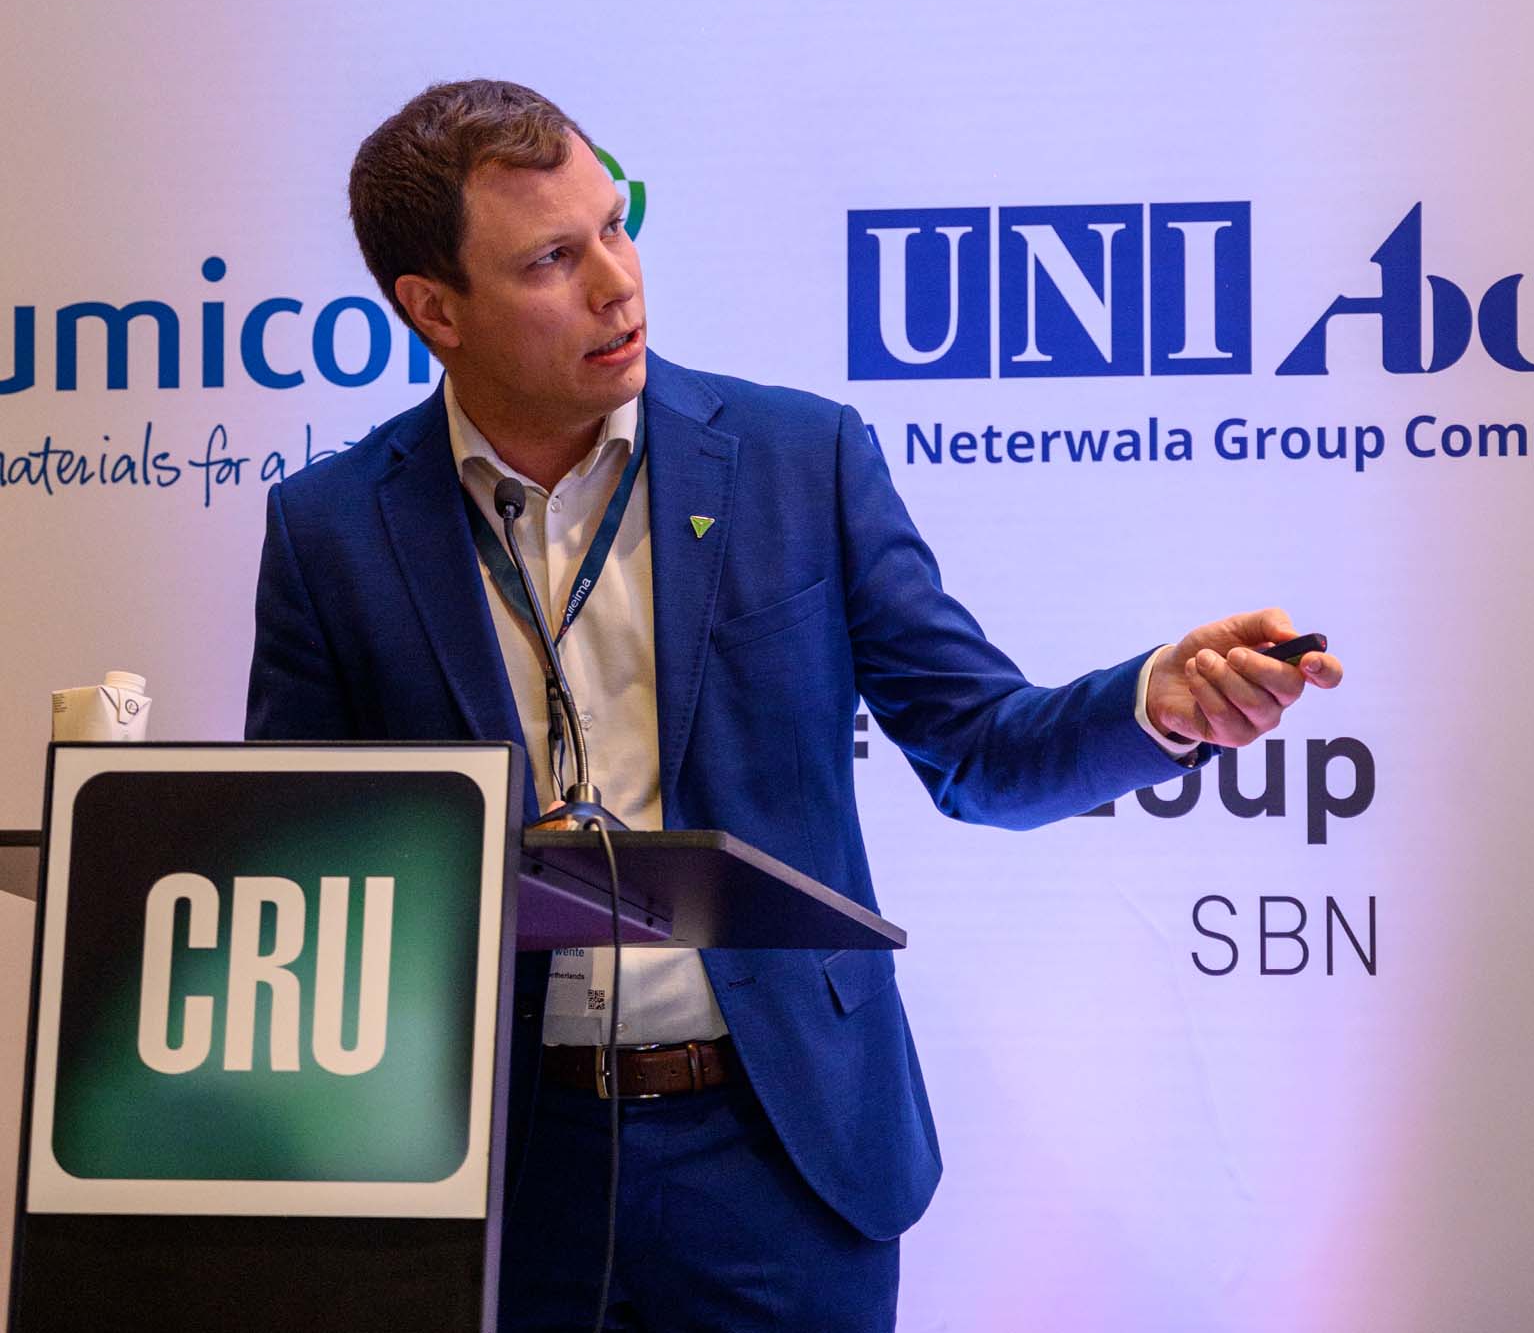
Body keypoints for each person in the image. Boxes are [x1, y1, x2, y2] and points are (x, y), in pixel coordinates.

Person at [246, 79, 1343, 1333]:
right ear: (433, 309)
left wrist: (1158, 701)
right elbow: (308, 875)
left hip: (777, 1155)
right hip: (495, 1166)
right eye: (552, 258)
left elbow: (980, 749)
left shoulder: (795, 458)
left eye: (617, 224)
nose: (617, 282)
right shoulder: (332, 530)